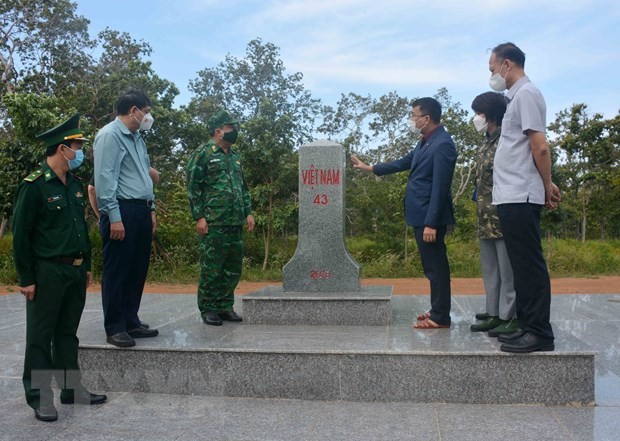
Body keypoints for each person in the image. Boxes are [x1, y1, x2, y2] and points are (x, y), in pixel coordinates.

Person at [12, 113, 107, 422]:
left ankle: (71, 389)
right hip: (47, 272)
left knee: (67, 333)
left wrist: (87, 264)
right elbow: (21, 235)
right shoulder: (35, 186)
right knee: (40, 337)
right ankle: (40, 398)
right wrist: (27, 278)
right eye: (77, 146)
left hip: (75, 271)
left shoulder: (75, 185)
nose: (80, 152)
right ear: (61, 148)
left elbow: (80, 228)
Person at [351, 97, 457, 329]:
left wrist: (431, 223)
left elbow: (440, 187)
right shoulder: (426, 141)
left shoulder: (442, 144)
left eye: (413, 116)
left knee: (436, 267)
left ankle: (441, 317)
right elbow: (403, 162)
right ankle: (438, 308)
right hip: (421, 215)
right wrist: (371, 168)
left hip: (430, 218)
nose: (411, 120)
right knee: (432, 266)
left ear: (426, 118)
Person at [487, 42, 561, 353]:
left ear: (507, 64)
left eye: (492, 69)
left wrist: (547, 184)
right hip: (510, 194)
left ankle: (540, 333)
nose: (492, 75)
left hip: (522, 193)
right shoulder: (513, 98)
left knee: (529, 265)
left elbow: (540, 146)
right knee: (520, 265)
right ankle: (527, 324)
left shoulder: (528, 94)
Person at [93, 89, 159, 347]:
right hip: (121, 210)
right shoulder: (109, 136)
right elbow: (104, 180)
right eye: (147, 112)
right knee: (118, 270)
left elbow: (144, 175)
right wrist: (113, 217)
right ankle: (115, 326)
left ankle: (131, 320)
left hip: (140, 209)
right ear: (134, 110)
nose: (148, 117)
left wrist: (151, 209)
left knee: (136, 268)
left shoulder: (137, 138)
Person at [186, 109, 254, 326]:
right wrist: (199, 216)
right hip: (214, 221)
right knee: (212, 267)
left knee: (232, 266)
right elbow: (193, 186)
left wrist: (248, 212)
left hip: (234, 220)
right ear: (218, 131)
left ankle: (225, 306)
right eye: (230, 127)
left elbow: (242, 187)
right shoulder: (203, 153)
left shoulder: (235, 157)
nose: (235, 131)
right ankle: (208, 308)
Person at [469, 92, 518, 336]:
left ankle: (509, 316)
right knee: (490, 268)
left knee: (507, 270)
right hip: (485, 216)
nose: (475, 117)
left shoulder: (506, 140)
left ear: (491, 115)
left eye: (478, 113)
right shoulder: (487, 141)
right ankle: (493, 312)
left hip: (503, 214)